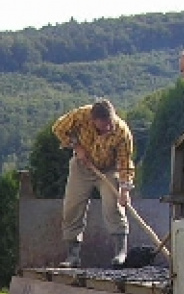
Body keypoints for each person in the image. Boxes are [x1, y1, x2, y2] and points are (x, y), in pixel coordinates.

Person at [51, 98, 136, 268]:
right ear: (93, 120)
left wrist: (125, 190)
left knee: (113, 205)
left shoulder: (122, 132)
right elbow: (58, 128)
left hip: (109, 169)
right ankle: (73, 255)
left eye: (110, 123)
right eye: (104, 126)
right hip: (82, 166)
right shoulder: (81, 115)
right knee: (72, 207)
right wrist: (76, 146)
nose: (109, 128)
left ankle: (121, 252)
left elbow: (125, 163)